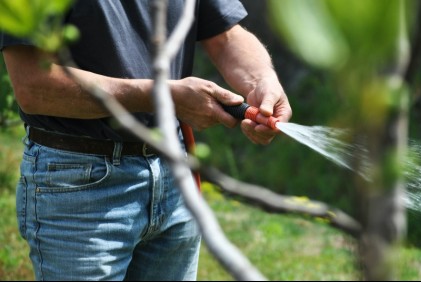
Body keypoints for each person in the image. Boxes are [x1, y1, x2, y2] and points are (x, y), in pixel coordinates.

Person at [0, 0, 292, 280]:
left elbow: (226, 36)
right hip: (80, 184)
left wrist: (262, 81)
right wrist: (160, 96)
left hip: (174, 171)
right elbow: (34, 86)